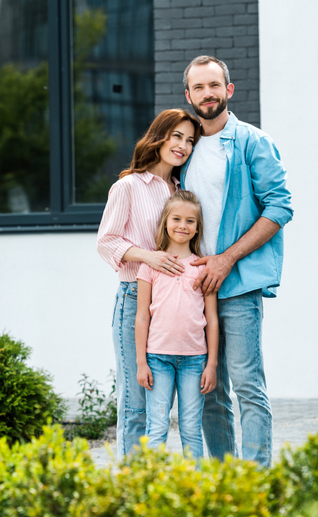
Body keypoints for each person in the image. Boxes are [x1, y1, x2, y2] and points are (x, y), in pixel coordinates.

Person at [181, 55, 294, 466]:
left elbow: (279, 207)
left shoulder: (251, 141)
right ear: (188, 95)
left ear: (228, 90)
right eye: (199, 87)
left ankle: (257, 481)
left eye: (214, 85)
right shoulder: (185, 148)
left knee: (248, 386)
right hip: (196, 290)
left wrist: (226, 259)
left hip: (238, 285)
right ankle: (229, 480)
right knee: (207, 389)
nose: (207, 94)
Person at [97, 109, 201, 460]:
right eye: (177, 136)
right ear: (159, 136)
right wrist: (148, 256)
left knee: (171, 413)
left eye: (189, 140)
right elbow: (106, 242)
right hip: (134, 301)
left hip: (177, 306)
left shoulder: (180, 190)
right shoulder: (127, 186)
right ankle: (132, 487)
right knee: (136, 403)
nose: (183, 146)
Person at [135, 190, 218, 459]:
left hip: (195, 360)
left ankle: (193, 491)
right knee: (157, 427)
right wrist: (141, 363)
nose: (183, 226)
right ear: (166, 222)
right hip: (157, 358)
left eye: (190, 221)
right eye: (177, 219)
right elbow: (142, 316)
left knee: (191, 428)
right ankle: (150, 488)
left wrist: (212, 364)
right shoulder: (150, 265)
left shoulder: (203, 267)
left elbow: (212, 320)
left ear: (197, 228)